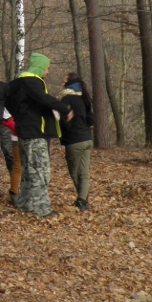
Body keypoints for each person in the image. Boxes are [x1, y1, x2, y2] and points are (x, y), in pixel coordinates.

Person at [5, 53, 72, 219]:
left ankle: (25, 204)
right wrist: (64, 109)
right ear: (40, 67)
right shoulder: (33, 83)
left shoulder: (16, 84)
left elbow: (8, 103)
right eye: (47, 68)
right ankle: (42, 208)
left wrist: (20, 117)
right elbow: (45, 99)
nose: (47, 72)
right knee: (40, 171)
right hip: (35, 133)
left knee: (28, 171)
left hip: (23, 132)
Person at [59, 72, 94, 211]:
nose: (62, 82)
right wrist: (82, 127)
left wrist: (69, 128)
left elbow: (63, 120)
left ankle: (81, 200)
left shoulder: (66, 99)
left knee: (74, 173)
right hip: (87, 139)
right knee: (84, 173)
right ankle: (83, 200)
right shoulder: (84, 98)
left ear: (69, 83)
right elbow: (91, 119)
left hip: (74, 141)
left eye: (64, 80)